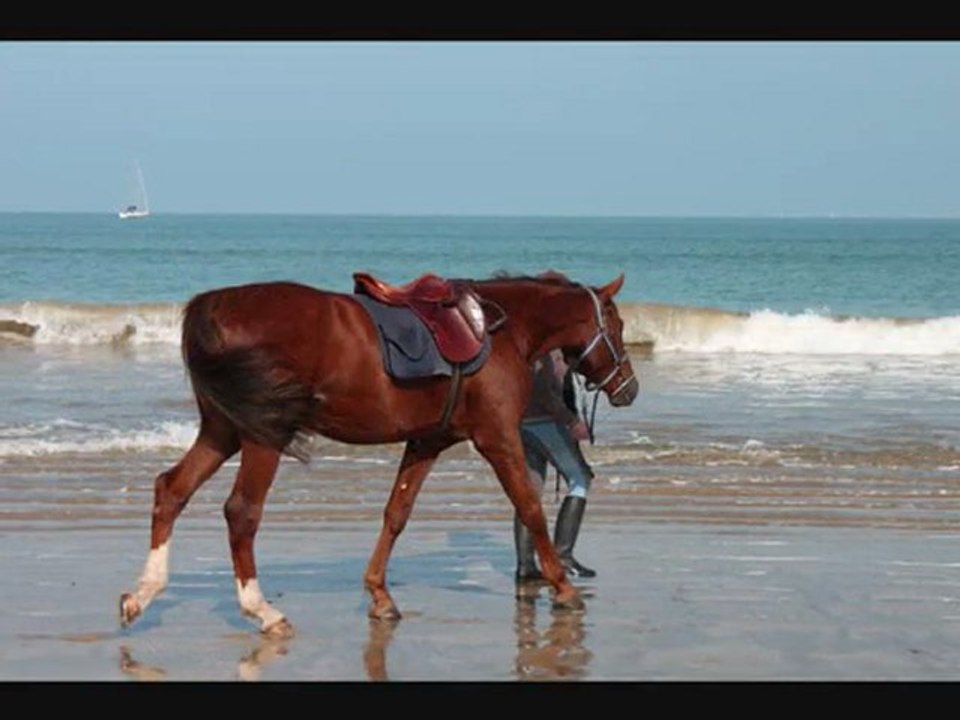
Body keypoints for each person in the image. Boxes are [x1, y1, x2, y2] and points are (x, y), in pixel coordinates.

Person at [514, 346, 597, 580]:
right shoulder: (544, 351)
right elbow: (543, 393)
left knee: (529, 492)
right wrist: (572, 422)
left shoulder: (524, 344)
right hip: (544, 422)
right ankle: (563, 556)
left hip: (520, 423)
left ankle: (526, 566)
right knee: (580, 478)